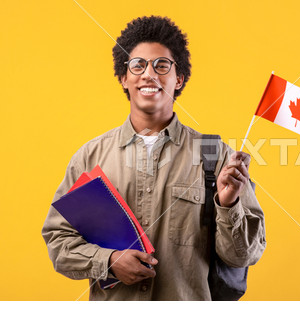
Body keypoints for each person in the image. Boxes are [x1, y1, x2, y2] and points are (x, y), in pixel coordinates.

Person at [42, 16, 266, 301]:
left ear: (179, 78)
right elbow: (59, 243)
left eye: (162, 65)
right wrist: (108, 260)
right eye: (137, 65)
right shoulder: (90, 157)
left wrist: (228, 202)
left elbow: (243, 255)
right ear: (124, 77)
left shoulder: (218, 156)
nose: (149, 74)